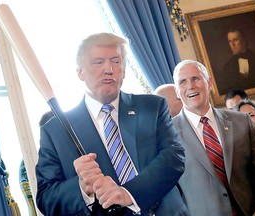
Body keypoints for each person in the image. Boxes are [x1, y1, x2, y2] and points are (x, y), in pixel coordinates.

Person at [35, 32, 188, 216]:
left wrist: (128, 193)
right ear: (80, 72)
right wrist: (82, 188)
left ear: (123, 69)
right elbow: (47, 199)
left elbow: (174, 158)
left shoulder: (152, 106)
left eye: (115, 61)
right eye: (98, 62)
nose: (108, 69)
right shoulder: (55, 131)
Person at [172, 59, 255, 215]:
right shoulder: (167, 134)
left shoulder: (242, 121)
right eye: (182, 82)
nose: (190, 86)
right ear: (177, 92)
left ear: (210, 83)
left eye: (195, 78)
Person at [219, 28, 255, 95]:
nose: (232, 44)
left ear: (244, 40)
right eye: (230, 41)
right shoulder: (228, 66)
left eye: (235, 40)